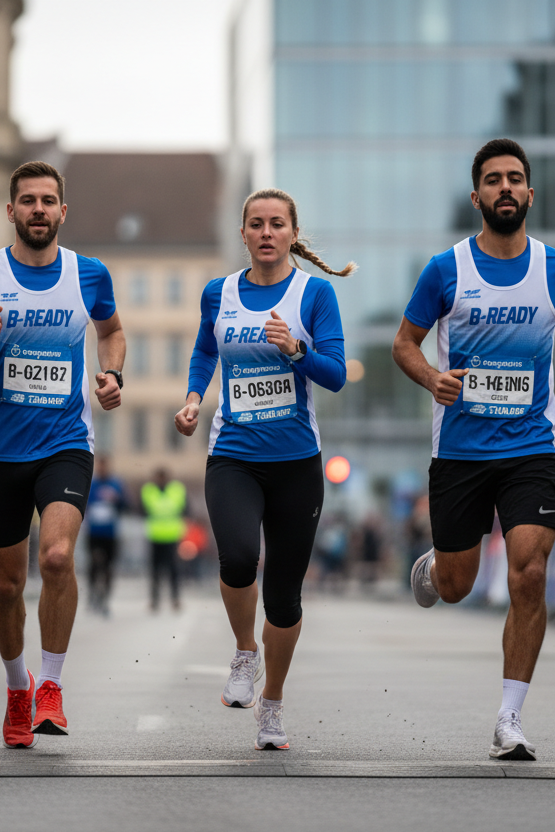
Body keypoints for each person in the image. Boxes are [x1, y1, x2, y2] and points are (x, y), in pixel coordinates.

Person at [393, 139, 555, 761]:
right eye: (493, 180)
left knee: (530, 570)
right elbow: (405, 344)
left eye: (516, 179)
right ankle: (436, 569)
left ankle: (509, 717)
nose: (506, 189)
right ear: (477, 197)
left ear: (530, 193)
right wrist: (430, 377)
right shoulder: (446, 269)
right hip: (461, 450)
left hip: (530, 447)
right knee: (461, 584)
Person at [0, 161, 125, 748]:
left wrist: (112, 374)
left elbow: (112, 331)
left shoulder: (88, 274)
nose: (38, 210)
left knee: (59, 558)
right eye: (27, 201)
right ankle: (18, 687)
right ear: (11, 211)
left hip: (66, 442)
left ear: (63, 212)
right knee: (6, 586)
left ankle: (52, 687)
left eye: (48, 201)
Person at [175, 188, 352, 750]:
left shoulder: (314, 294)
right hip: (233, 455)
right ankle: (244, 652)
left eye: (278, 223)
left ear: (293, 233)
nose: (268, 232)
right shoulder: (218, 293)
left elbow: (337, 374)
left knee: (284, 597)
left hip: (297, 463)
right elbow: (206, 350)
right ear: (244, 234)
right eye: (257, 224)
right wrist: (192, 396)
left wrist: (296, 349)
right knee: (238, 555)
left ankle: (271, 704)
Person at [85, 455, 126, 616]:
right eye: (99, 466)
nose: (102, 469)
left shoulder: (116, 484)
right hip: (94, 532)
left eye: (104, 466)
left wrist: (117, 500)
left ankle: (106, 597)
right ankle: (93, 593)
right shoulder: (91, 484)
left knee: (109, 566)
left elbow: (125, 505)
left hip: (110, 533)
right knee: (94, 563)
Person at [141, 468, 186, 612]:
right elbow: (142, 509)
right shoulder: (148, 490)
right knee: (155, 570)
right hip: (155, 535)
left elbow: (185, 509)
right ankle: (155, 600)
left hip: (172, 535)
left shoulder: (177, 490)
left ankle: (175, 599)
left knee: (173, 570)